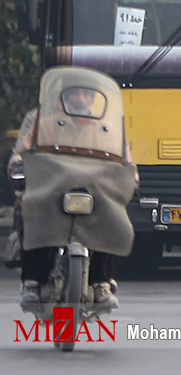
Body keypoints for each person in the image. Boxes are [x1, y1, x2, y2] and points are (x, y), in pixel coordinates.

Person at [9, 87, 137, 310]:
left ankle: (101, 283)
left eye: (86, 95)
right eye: (74, 95)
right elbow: (22, 151)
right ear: (63, 99)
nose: (80, 100)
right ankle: (32, 281)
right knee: (29, 207)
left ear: (93, 100)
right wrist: (18, 163)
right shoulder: (43, 122)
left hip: (91, 191)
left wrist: (130, 174)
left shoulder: (106, 126)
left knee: (114, 214)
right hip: (51, 189)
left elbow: (125, 158)